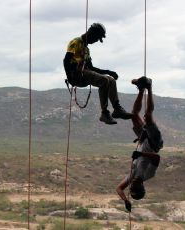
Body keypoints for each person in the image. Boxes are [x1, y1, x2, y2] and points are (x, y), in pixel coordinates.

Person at [63, 22, 132, 125]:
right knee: (104, 81)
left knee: (111, 80)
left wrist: (108, 72)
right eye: (96, 38)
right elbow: (66, 60)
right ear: (92, 33)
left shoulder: (86, 49)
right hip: (76, 74)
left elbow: (91, 68)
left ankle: (117, 109)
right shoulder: (76, 42)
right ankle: (104, 113)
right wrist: (70, 78)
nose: (95, 41)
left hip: (85, 73)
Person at [116, 76, 163, 212]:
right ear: (142, 186)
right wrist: (141, 153)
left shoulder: (132, 177)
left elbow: (118, 188)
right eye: (135, 188)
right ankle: (149, 87)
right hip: (154, 143)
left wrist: (126, 201)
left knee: (134, 115)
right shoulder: (148, 174)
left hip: (143, 140)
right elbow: (156, 158)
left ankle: (141, 90)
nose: (132, 186)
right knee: (148, 117)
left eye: (131, 188)